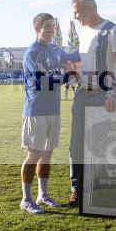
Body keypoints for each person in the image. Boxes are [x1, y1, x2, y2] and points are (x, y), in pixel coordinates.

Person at [67, 0, 116, 208]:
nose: (74, 16)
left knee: (102, 144)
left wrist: (115, 94)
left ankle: (102, 189)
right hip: (82, 94)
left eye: (76, 12)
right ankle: (77, 190)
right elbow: (81, 64)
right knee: (76, 145)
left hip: (104, 95)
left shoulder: (113, 30)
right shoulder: (84, 32)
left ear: (89, 10)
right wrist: (72, 72)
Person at [20, 13, 80, 214]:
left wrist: (93, 43)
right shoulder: (32, 53)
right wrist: (66, 77)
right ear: (37, 29)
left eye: (53, 27)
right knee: (33, 155)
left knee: (47, 155)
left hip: (53, 111)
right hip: (36, 110)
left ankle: (42, 195)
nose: (52, 31)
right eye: (48, 27)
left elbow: (73, 57)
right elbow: (43, 83)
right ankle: (26, 199)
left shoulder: (56, 50)